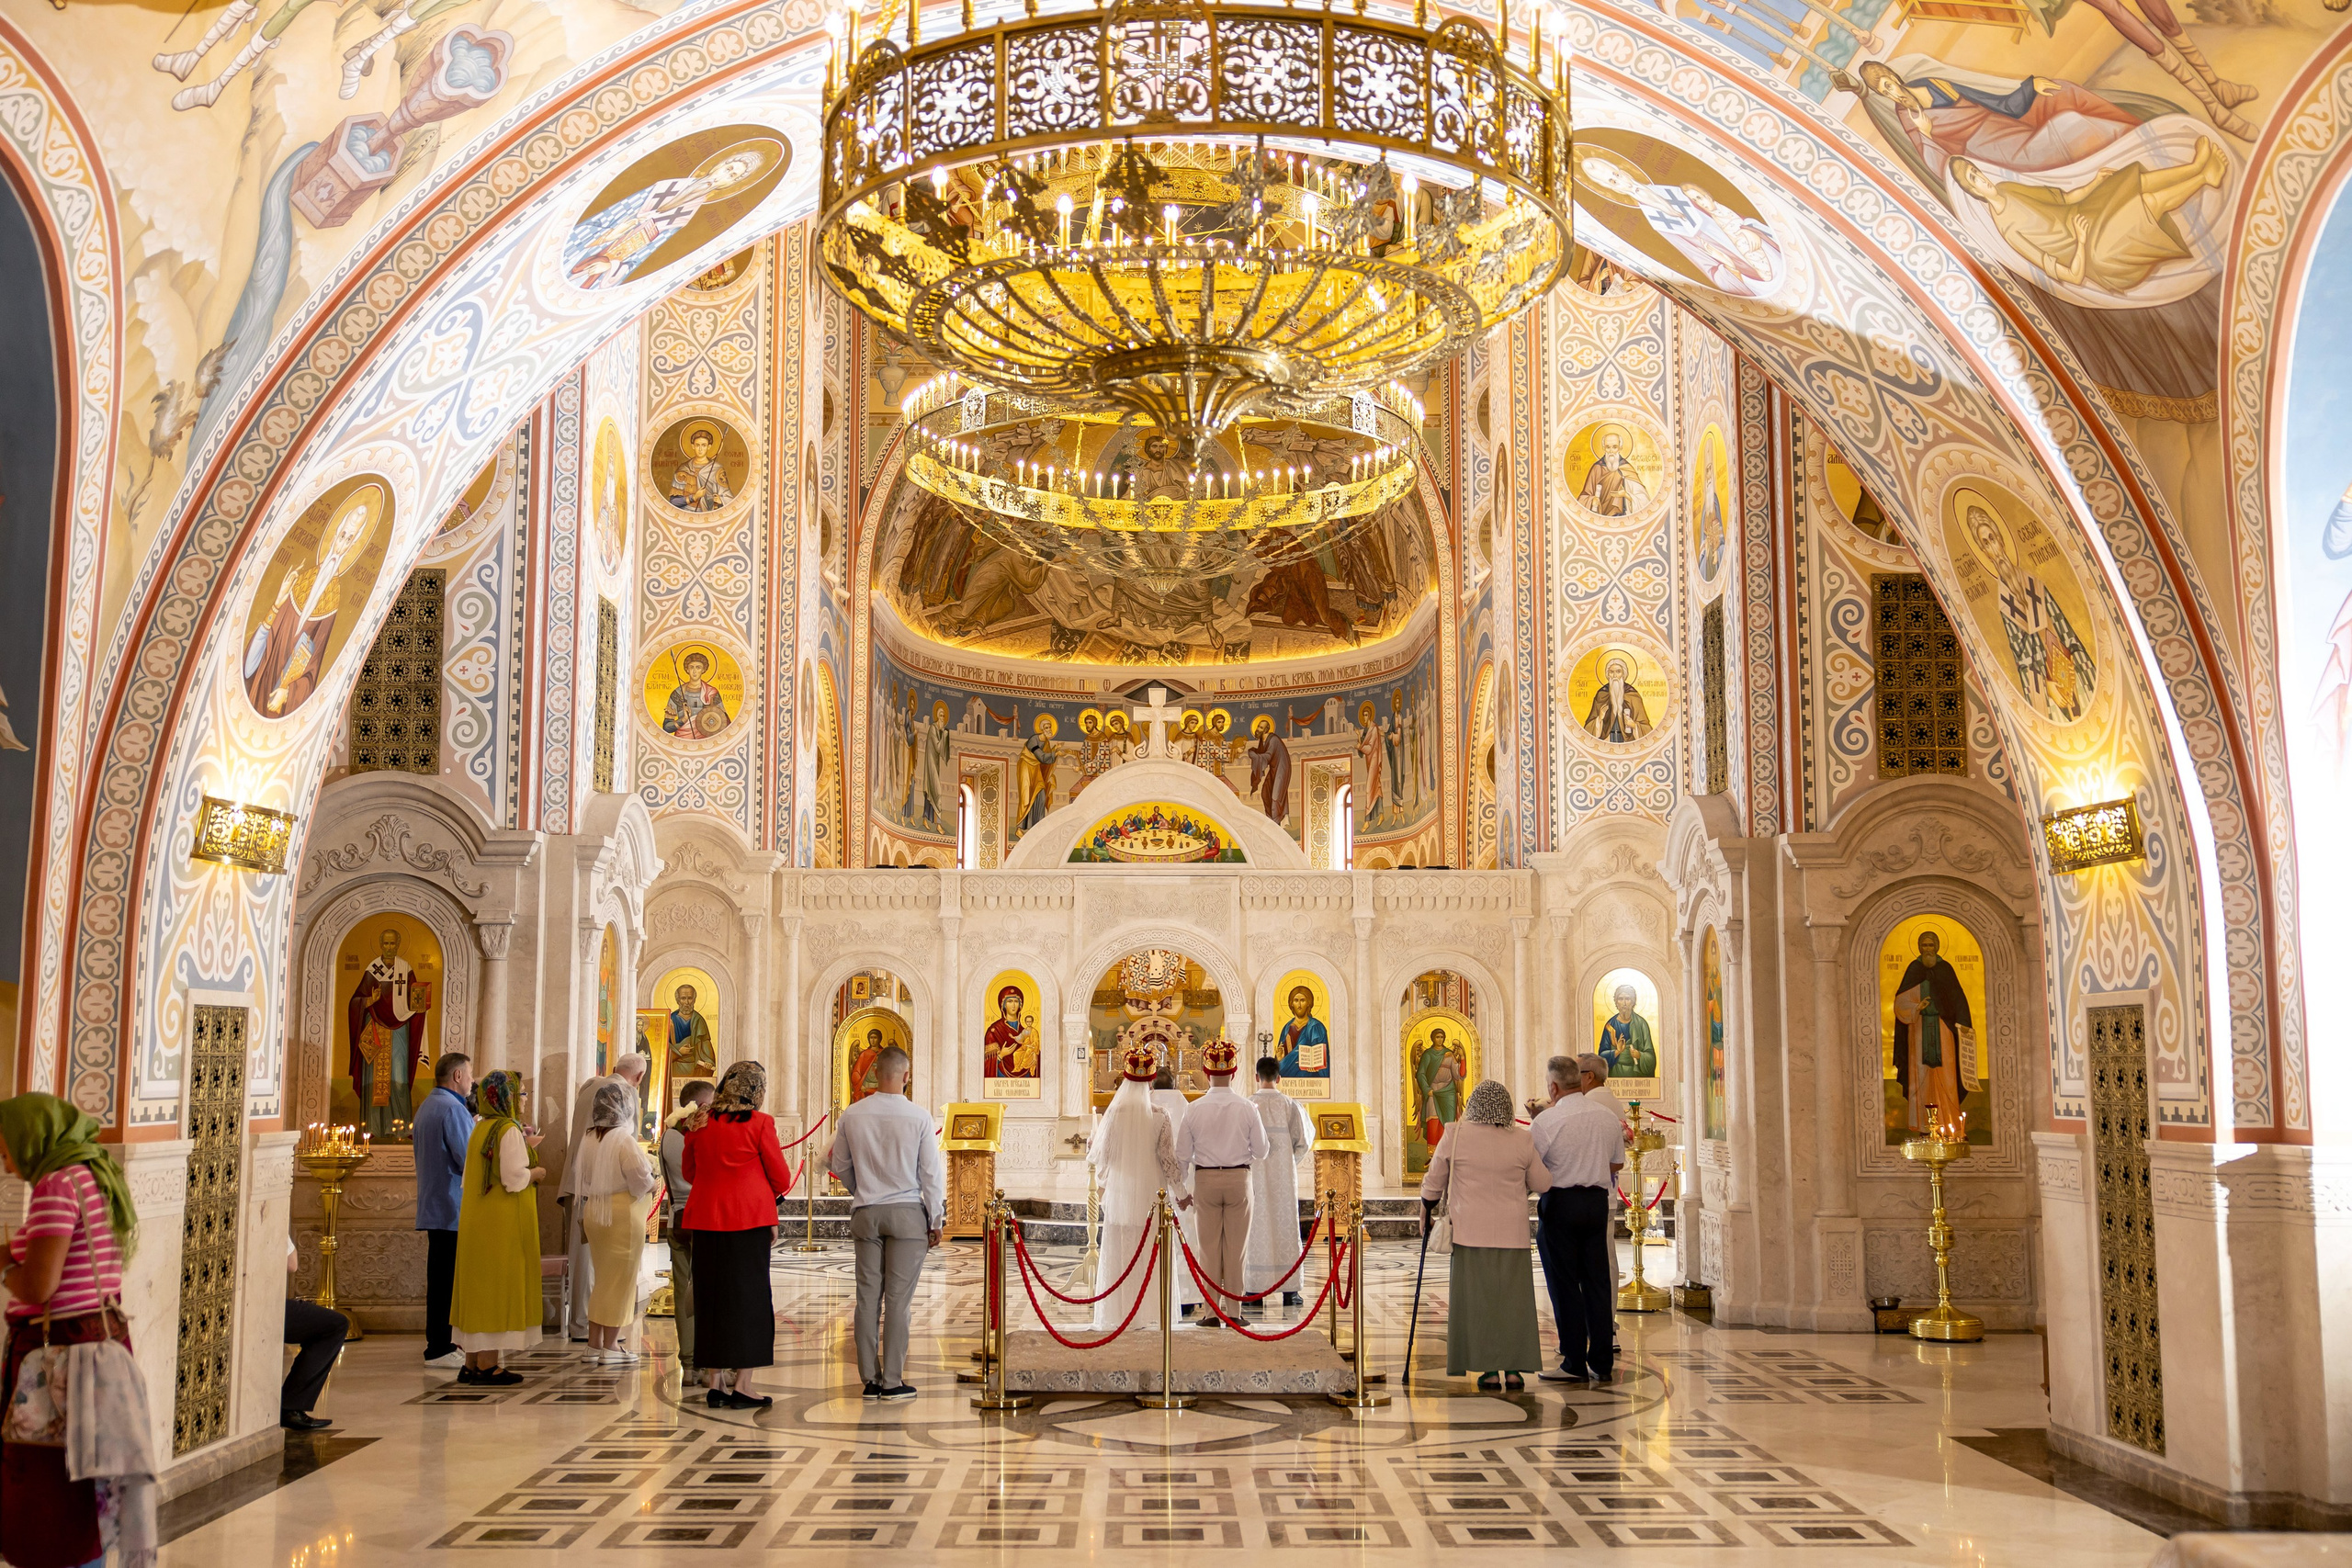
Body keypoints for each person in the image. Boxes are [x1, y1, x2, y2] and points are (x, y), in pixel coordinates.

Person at [0, 1092, 145, 1568]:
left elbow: (39, 1286)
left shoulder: (55, 1186)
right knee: (86, 1493)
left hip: (59, 1361)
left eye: (5, 1148)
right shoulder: (93, 1175)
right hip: (98, 1348)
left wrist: (5, 1265)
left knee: (50, 1497)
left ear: (30, 1138)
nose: (6, 1162)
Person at [826, 1045, 944, 1399]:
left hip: (866, 1213)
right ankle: (892, 1381)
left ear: (875, 1073)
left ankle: (870, 1380)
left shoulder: (852, 1114)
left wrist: (862, 1191)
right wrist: (936, 1219)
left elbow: (839, 1165)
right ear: (906, 1076)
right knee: (897, 1301)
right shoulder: (919, 1117)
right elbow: (930, 1175)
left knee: (866, 1298)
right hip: (907, 1214)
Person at [1419, 1079, 1549, 1392]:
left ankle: (1489, 1371)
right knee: (1513, 1304)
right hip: (1513, 1235)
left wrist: (1425, 1211)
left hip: (1469, 1234)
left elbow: (1434, 1182)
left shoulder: (1455, 1134)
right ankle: (1514, 1371)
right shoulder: (1522, 1139)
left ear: (1473, 1106)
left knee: (1478, 1304)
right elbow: (1543, 1183)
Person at [680, 1061, 792, 1409]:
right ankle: (743, 1385)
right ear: (756, 1090)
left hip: (706, 1220)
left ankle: (715, 1383)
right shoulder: (760, 1123)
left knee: (711, 1299)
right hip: (749, 1222)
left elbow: (689, 1171)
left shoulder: (699, 1122)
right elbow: (782, 1178)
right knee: (749, 1301)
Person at [1531, 1055, 1626, 1385]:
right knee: (1597, 1282)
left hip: (1561, 1203)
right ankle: (1602, 1362)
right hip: (1596, 1203)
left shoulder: (1547, 1121)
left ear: (1554, 1087)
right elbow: (1617, 1163)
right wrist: (1590, 1167)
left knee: (1565, 1283)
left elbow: (1533, 1168)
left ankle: (1573, 1361)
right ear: (1579, 1080)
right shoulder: (1606, 1116)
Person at [450, 1070, 545, 1385]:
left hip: (477, 1219)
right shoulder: (507, 1129)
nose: (524, 1100)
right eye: (521, 1094)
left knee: (478, 1288)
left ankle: (471, 1362)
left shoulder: (480, 1127)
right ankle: (488, 1365)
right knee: (495, 1288)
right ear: (506, 1097)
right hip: (500, 1222)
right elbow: (513, 1179)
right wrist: (536, 1172)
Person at [1087, 1045, 1189, 1332]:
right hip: (1151, 1196)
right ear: (1150, 1083)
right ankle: (1150, 1312)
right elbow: (1168, 1161)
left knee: (1122, 1251)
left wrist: (1093, 1145)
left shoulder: (1114, 1115)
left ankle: (1121, 1312)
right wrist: (1182, 1193)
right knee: (1148, 1251)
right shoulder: (1160, 1116)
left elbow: (1101, 1156)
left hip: (1121, 1196)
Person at [1172, 1040, 1268, 1328]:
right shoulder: (1248, 1107)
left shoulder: (1194, 1109)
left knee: (1208, 1249)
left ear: (1206, 1073)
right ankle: (1235, 1312)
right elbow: (1262, 1150)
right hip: (1239, 1179)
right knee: (1237, 1249)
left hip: (1206, 1180)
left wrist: (1181, 1191)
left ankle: (1211, 1313)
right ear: (1234, 1073)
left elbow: (1181, 1154)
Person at [560, 1052, 648, 1342]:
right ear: (639, 1077)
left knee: (583, 1260)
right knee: (609, 1270)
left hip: (579, 1183)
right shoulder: (623, 1092)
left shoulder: (589, 1087)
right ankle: (604, 1334)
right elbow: (631, 1160)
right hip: (610, 1193)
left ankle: (581, 1325)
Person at [577, 1079, 659, 1365]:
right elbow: (640, 1179)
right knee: (620, 1282)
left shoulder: (589, 1137)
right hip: (622, 1215)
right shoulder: (623, 1139)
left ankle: (593, 1345)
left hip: (595, 1212)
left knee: (603, 1279)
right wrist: (654, 1182)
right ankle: (611, 1346)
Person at [413, 1051, 474, 1369]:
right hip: (451, 1208)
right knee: (445, 1282)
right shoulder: (452, 1108)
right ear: (458, 1076)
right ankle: (439, 1347)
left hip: (436, 1205)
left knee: (440, 1279)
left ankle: (441, 1343)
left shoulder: (429, 1104)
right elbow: (469, 1159)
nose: (472, 1081)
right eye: (470, 1074)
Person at [1245, 1055, 1315, 1310]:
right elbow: (1304, 1141)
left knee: (1256, 1228)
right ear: (1279, 1078)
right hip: (1284, 1179)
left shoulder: (1248, 1105)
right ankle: (1290, 1292)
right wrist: (1288, 1163)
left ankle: (1254, 1291)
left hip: (1254, 1177)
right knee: (1286, 1227)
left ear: (1256, 1077)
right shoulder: (1291, 1105)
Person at [1893, 929, 1976, 1133]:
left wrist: (1964, 1023)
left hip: (1943, 1027)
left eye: (1931, 945)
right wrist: (1916, 1007)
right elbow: (1900, 1001)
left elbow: (1958, 997)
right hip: (1918, 1029)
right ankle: (1923, 1124)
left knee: (1947, 1074)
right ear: (1919, 948)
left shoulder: (1945, 969)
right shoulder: (1914, 969)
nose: (1928, 950)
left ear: (1937, 947)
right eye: (1924, 946)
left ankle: (1949, 1123)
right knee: (1920, 1074)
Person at [661, 1079, 716, 1372]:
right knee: (707, 1289)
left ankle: (689, 1360)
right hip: (702, 1218)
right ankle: (708, 1361)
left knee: (683, 1291)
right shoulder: (700, 1134)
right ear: (701, 1105)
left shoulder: (667, 1135)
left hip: (676, 1219)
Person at [1148, 1061, 1204, 1318]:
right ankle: (1187, 1297)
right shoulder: (1188, 1108)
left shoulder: (1144, 1106)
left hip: (1151, 1182)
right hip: (1183, 1181)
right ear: (1174, 1085)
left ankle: (1153, 1294)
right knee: (1186, 1237)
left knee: (1152, 1237)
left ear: (1152, 1084)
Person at [282, 1236, 346, 1429]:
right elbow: (292, 1264)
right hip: (262, 1305)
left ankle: (291, 1406)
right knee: (335, 1325)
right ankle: (291, 1406)